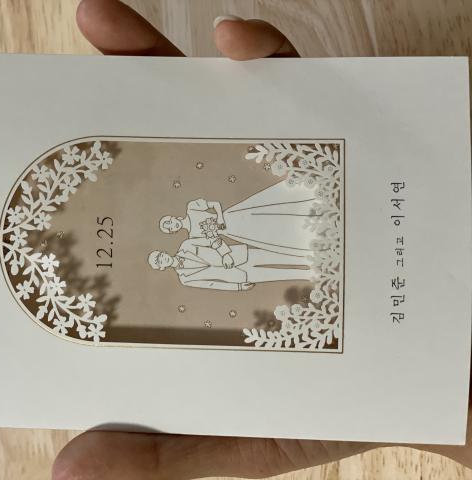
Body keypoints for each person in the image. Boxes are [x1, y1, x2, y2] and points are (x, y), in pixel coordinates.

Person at [53, 1, 472, 478]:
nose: (167, 246)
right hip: (244, 260)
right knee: (295, 267)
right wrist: (228, 266)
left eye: (165, 236)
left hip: (244, 232)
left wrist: (214, 233)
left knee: (295, 227)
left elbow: (214, 214)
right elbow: (214, 280)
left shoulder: (194, 217)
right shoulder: (186, 261)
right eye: (161, 256)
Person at [160, 184, 318, 260]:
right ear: (174, 232)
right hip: (234, 232)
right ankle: (306, 234)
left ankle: (308, 213)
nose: (173, 225)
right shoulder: (193, 237)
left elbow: (215, 204)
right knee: (266, 233)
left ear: (173, 217)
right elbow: (215, 242)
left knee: (267, 214)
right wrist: (225, 256)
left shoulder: (192, 208)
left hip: (233, 216)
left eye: (169, 222)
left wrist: (220, 218)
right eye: (170, 228)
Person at [147, 238, 314, 291]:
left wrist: (225, 254)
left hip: (238, 255)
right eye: (160, 262)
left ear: (164, 252)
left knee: (276, 257)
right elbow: (212, 284)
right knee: (277, 275)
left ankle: (308, 258)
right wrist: (238, 287)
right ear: (162, 267)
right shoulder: (185, 279)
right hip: (238, 276)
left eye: (161, 256)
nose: (163, 259)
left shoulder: (186, 245)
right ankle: (308, 275)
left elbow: (212, 240)